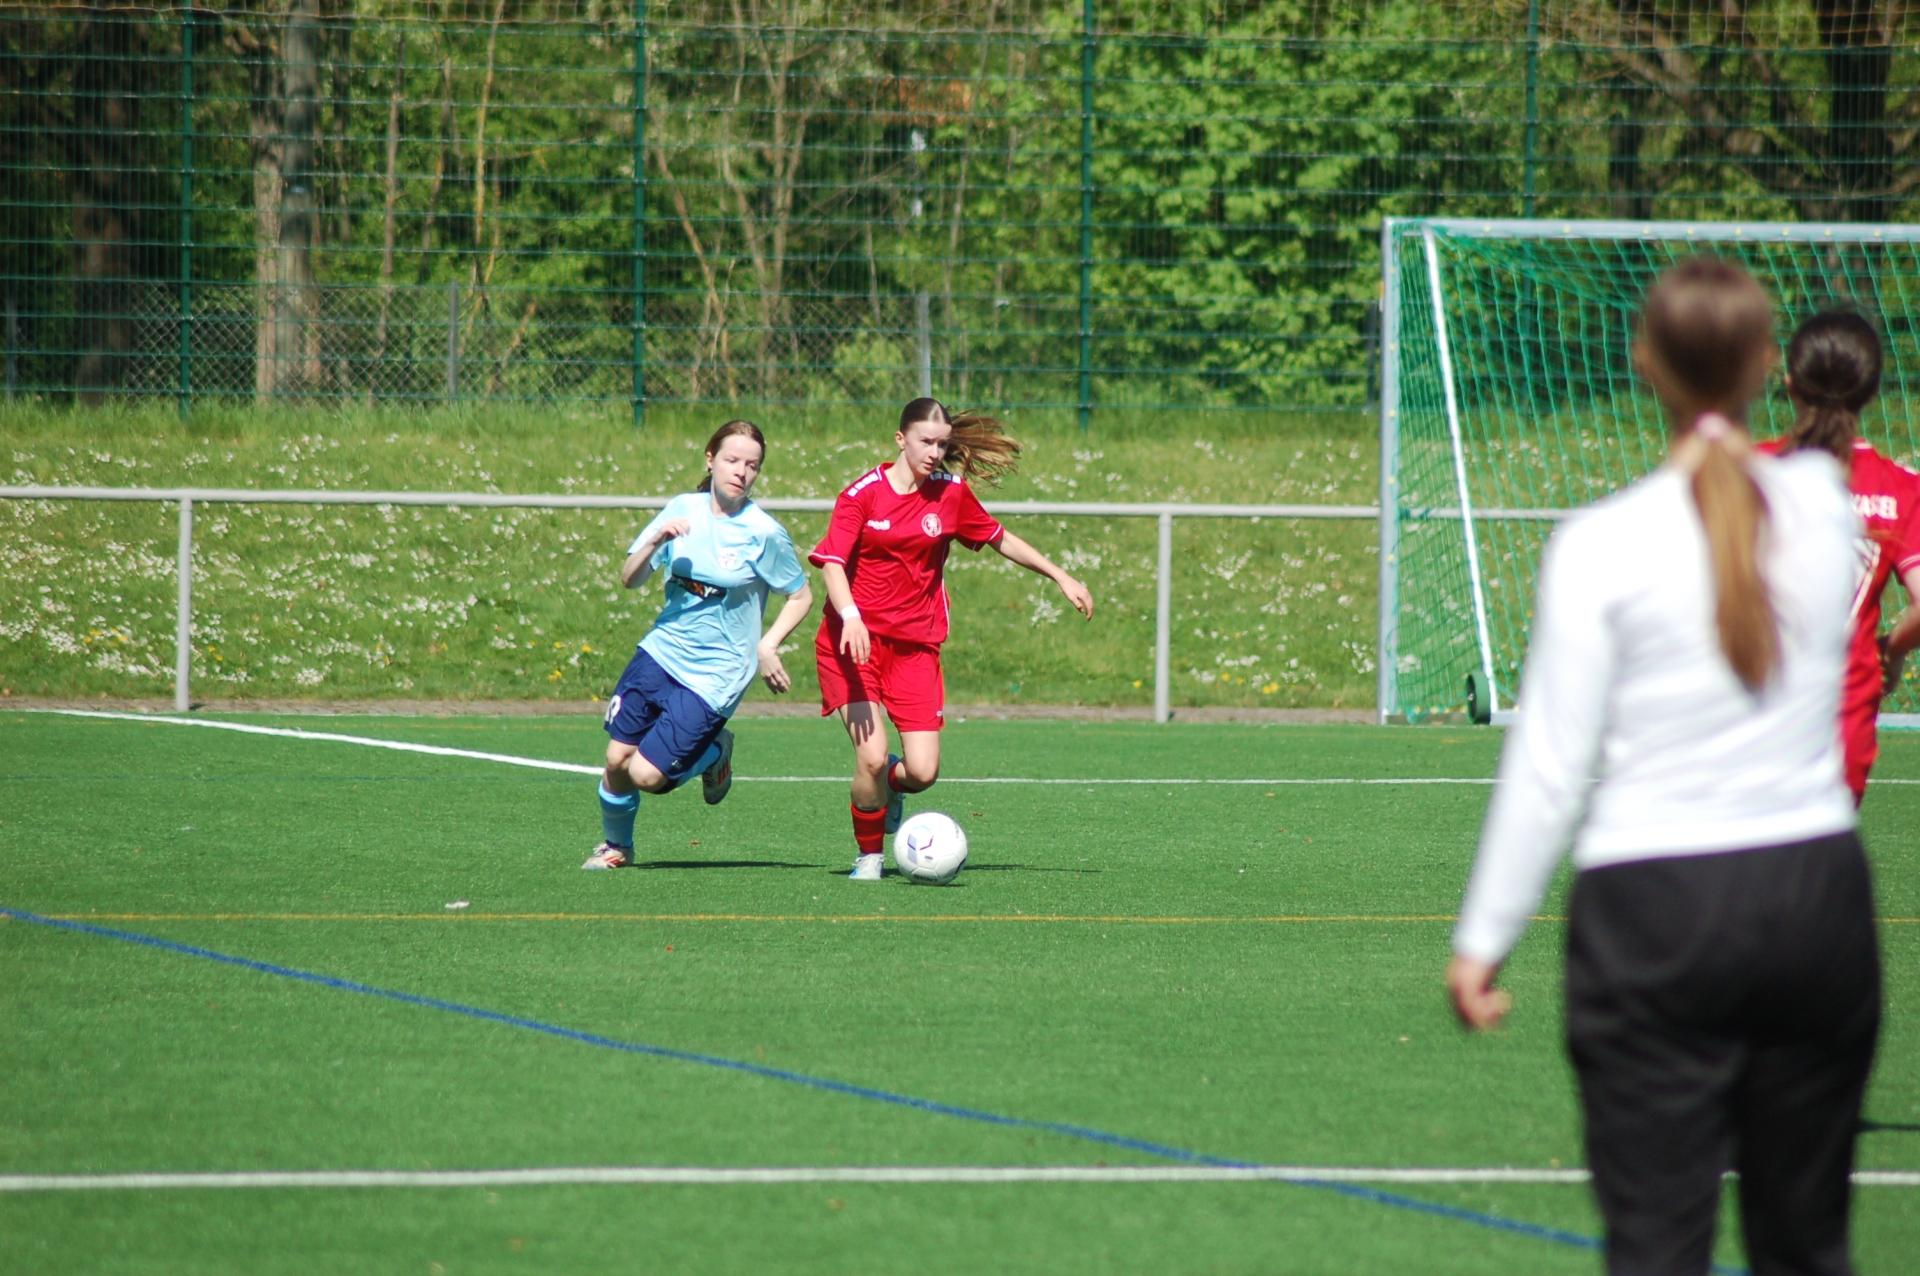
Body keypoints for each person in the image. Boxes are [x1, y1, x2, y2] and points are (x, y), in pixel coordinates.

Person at [1447, 260, 1880, 1275]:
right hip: (1814, 896)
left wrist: (1482, 938)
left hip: (1651, 909)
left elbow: (1551, 763)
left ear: (1645, 362)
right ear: (1768, 368)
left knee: (1654, 1246)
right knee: (1808, 1244)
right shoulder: (1827, 511)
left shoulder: (1598, 543)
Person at [809, 397, 1093, 880]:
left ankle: (888, 789)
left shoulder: (951, 494)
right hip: (853, 645)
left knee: (922, 772)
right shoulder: (862, 495)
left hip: (915, 649)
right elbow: (832, 563)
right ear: (900, 439)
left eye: (941, 445)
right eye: (925, 442)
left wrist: (1060, 576)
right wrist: (851, 615)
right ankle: (870, 856)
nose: (934, 453)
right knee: (871, 759)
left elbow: (1000, 538)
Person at [585, 420, 813, 870]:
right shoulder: (682, 508)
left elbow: (801, 596)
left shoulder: (764, 532)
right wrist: (656, 540)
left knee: (645, 774)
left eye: (752, 465)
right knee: (616, 758)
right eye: (732, 460)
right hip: (662, 651)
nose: (741, 472)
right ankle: (617, 847)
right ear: (710, 460)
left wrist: (768, 646)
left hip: (717, 673)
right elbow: (630, 579)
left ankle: (714, 752)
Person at [1764, 310, 1920, 804]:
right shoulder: (1899, 489)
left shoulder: (1749, 469)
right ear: (1870, 392)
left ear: (1790, 383)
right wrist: (1890, 651)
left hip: (1747, 721)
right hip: (1841, 727)